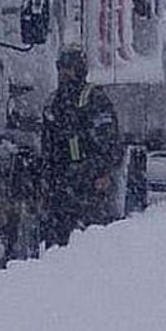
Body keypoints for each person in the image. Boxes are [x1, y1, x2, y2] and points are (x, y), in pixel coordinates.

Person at [40, 47, 121, 247]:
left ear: (80, 69)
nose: (63, 73)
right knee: (56, 240)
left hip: (88, 181)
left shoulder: (94, 99)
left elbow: (109, 141)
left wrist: (102, 172)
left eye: (69, 67)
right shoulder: (53, 101)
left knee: (90, 238)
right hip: (59, 182)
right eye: (61, 67)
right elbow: (47, 142)